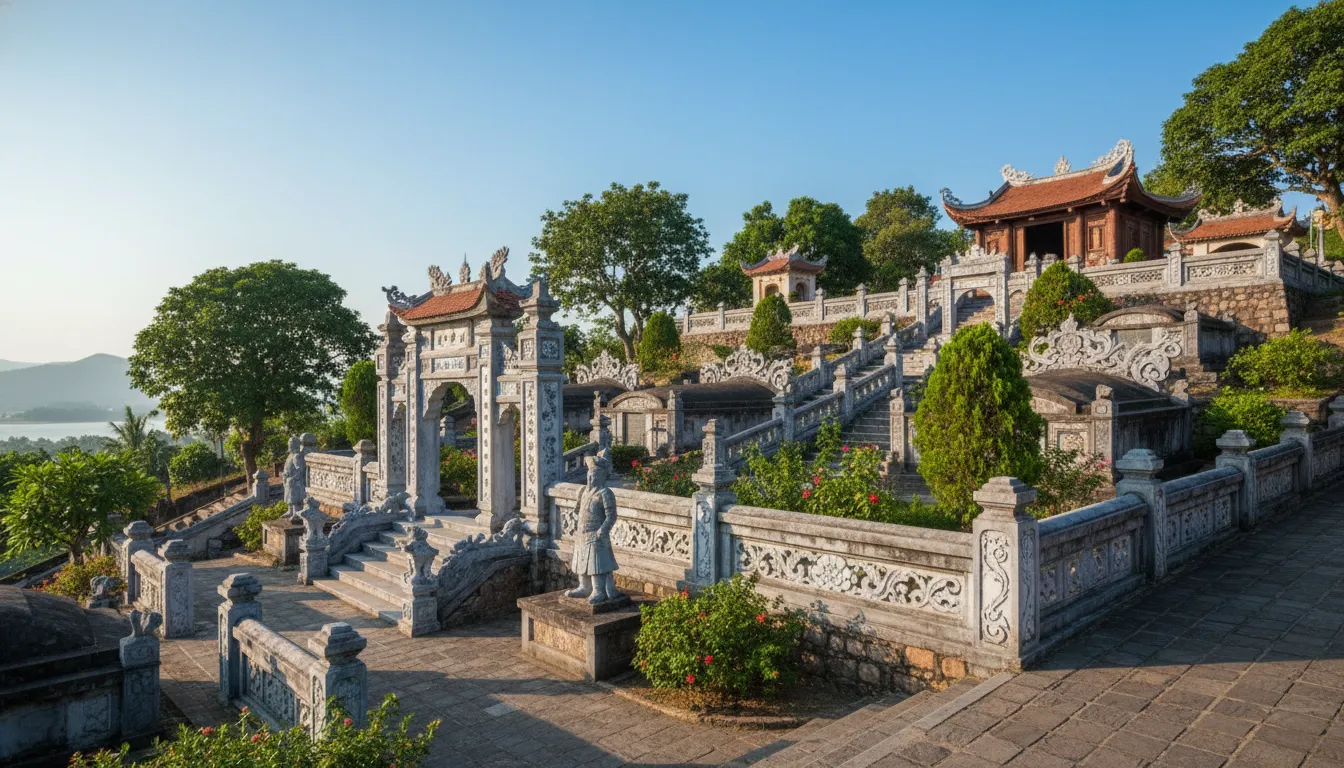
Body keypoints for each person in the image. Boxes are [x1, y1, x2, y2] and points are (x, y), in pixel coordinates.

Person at [565, 447, 622, 604]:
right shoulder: (583, 491)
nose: (591, 479)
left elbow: (611, 516)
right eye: (589, 476)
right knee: (581, 561)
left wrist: (603, 529)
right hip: (582, 533)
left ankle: (599, 590)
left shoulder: (605, 493)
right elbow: (578, 510)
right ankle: (584, 587)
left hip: (596, 533)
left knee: (597, 564)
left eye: (595, 476)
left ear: (602, 477)